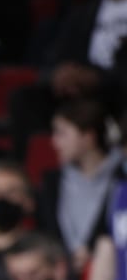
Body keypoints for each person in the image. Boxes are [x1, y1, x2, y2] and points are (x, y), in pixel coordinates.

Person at [43, 97, 121, 268]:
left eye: (61, 133)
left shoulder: (121, 177)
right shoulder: (51, 182)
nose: (54, 142)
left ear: (88, 136)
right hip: (65, 276)